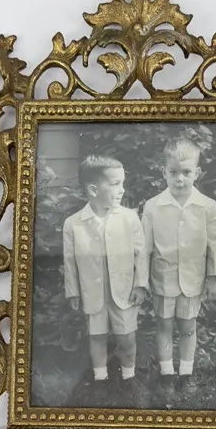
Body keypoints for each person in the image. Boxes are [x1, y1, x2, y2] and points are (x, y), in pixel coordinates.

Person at [142, 137, 216, 400]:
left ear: (196, 173)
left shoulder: (207, 206)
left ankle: (186, 375)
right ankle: (167, 375)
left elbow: (214, 245)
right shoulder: (153, 207)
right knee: (164, 326)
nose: (179, 179)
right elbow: (145, 249)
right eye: (174, 172)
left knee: (188, 327)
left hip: (192, 280)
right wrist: (142, 281)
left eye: (186, 173)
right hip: (162, 279)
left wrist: (213, 277)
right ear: (164, 172)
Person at [63, 155, 148, 404]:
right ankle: (100, 379)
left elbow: (141, 253)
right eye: (115, 184)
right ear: (93, 190)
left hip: (124, 291)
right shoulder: (74, 224)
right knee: (97, 336)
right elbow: (69, 261)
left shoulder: (129, 217)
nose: (122, 190)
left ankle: (129, 378)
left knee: (127, 337)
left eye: (123, 183)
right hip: (93, 292)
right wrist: (73, 292)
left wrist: (140, 284)